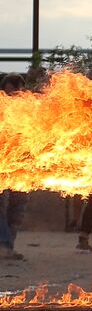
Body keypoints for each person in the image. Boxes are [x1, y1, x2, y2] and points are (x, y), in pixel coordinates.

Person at [0, 74, 28, 260]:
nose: (13, 96)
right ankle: (5, 244)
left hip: (22, 166)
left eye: (17, 92)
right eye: (10, 92)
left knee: (18, 207)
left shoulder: (28, 111)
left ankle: (8, 246)